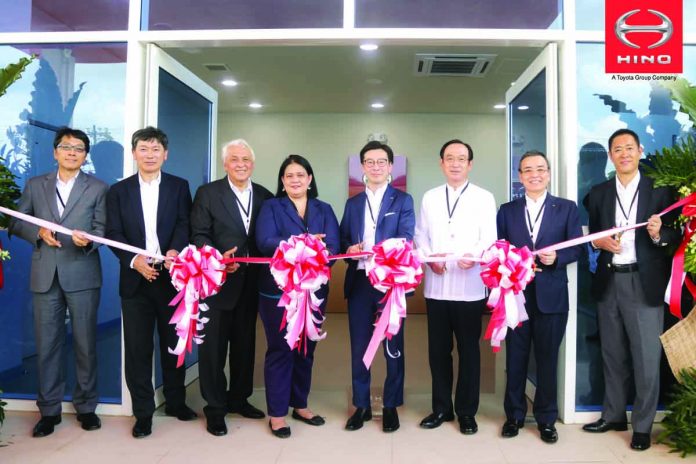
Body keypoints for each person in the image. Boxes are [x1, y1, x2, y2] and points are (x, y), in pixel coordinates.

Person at [582, 128, 680, 451]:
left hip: (644, 281)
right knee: (612, 353)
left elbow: (674, 236)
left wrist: (657, 233)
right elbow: (593, 235)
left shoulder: (661, 192)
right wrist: (598, 241)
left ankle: (642, 425)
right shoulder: (597, 194)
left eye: (629, 148)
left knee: (645, 358)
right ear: (611, 157)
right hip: (610, 280)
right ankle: (612, 414)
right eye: (617, 149)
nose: (623, 154)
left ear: (639, 151)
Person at [10, 127, 108, 437]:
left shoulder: (98, 188)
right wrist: (37, 233)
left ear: (85, 155)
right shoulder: (35, 185)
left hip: (82, 272)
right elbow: (17, 220)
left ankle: (86, 407)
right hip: (45, 274)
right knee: (47, 345)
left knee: (85, 344)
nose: (72, 152)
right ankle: (49, 411)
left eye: (78, 148)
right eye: (66, 147)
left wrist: (88, 241)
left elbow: (102, 230)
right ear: (55, 152)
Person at [105, 127, 196, 438]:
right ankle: (143, 413)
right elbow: (112, 233)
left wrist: (174, 249)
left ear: (165, 154)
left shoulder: (179, 186)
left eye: (155, 149)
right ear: (134, 154)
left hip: (171, 277)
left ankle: (175, 402)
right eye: (143, 149)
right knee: (138, 349)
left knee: (173, 345)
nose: (150, 154)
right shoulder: (118, 191)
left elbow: (185, 223)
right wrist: (134, 261)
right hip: (135, 280)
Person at [496, 150, 583, 443]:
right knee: (516, 357)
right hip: (516, 295)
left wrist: (556, 257)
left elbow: (578, 249)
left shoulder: (567, 208)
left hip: (552, 296)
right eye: (528, 170)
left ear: (548, 173)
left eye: (540, 169)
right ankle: (515, 416)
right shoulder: (507, 210)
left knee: (547, 360)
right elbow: (498, 249)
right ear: (520, 176)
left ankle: (546, 419)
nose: (534, 174)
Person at [190, 139, 273, 436]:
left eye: (246, 159)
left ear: (252, 163)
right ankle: (214, 408)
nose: (241, 164)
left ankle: (239, 398)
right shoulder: (208, 193)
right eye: (235, 159)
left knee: (245, 344)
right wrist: (216, 258)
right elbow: (198, 233)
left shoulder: (265, 195)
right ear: (225, 164)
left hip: (253, 283)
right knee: (212, 348)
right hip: (217, 281)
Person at [414, 139, 497, 435]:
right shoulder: (430, 197)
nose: (455, 163)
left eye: (461, 158)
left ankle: (466, 412)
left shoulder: (484, 197)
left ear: (470, 164)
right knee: (438, 351)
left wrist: (474, 256)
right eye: (450, 158)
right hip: (436, 287)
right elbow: (420, 235)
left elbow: (489, 237)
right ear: (441, 163)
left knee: (469, 351)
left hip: (469, 287)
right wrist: (427, 258)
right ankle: (440, 408)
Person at [255, 154, 340, 438]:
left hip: (314, 291)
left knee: (306, 348)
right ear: (282, 181)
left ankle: (300, 404)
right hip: (278, 292)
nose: (295, 180)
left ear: (310, 179)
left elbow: (334, 247)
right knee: (281, 349)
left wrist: (312, 254)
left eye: (300, 175)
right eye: (289, 176)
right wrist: (303, 244)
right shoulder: (271, 206)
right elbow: (265, 242)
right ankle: (277, 414)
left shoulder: (324, 208)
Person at [340, 141, 415, 433]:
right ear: (362, 167)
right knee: (360, 346)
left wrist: (381, 253)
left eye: (381, 161)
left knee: (392, 346)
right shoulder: (352, 203)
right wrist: (351, 247)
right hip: (359, 282)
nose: (375, 166)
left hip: (390, 284)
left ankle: (391, 405)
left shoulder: (403, 200)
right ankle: (361, 405)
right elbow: (344, 239)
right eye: (369, 162)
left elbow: (407, 238)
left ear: (390, 167)